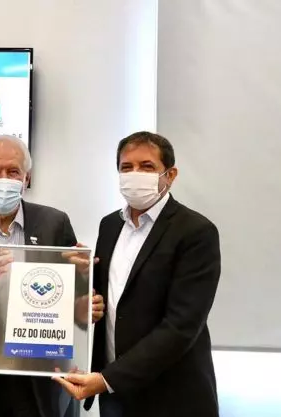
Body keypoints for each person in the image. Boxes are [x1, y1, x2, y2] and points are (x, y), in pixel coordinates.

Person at [0, 135, 105, 417]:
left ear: (26, 178)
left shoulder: (55, 223)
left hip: (44, 378)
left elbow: (73, 294)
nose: (4, 179)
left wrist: (87, 300)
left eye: (13, 171)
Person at [54, 132, 221, 417]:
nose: (135, 174)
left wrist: (107, 380)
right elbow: (113, 298)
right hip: (115, 396)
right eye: (127, 167)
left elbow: (181, 326)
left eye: (146, 166)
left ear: (170, 175)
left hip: (172, 396)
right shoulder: (109, 225)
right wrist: (82, 281)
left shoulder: (196, 232)